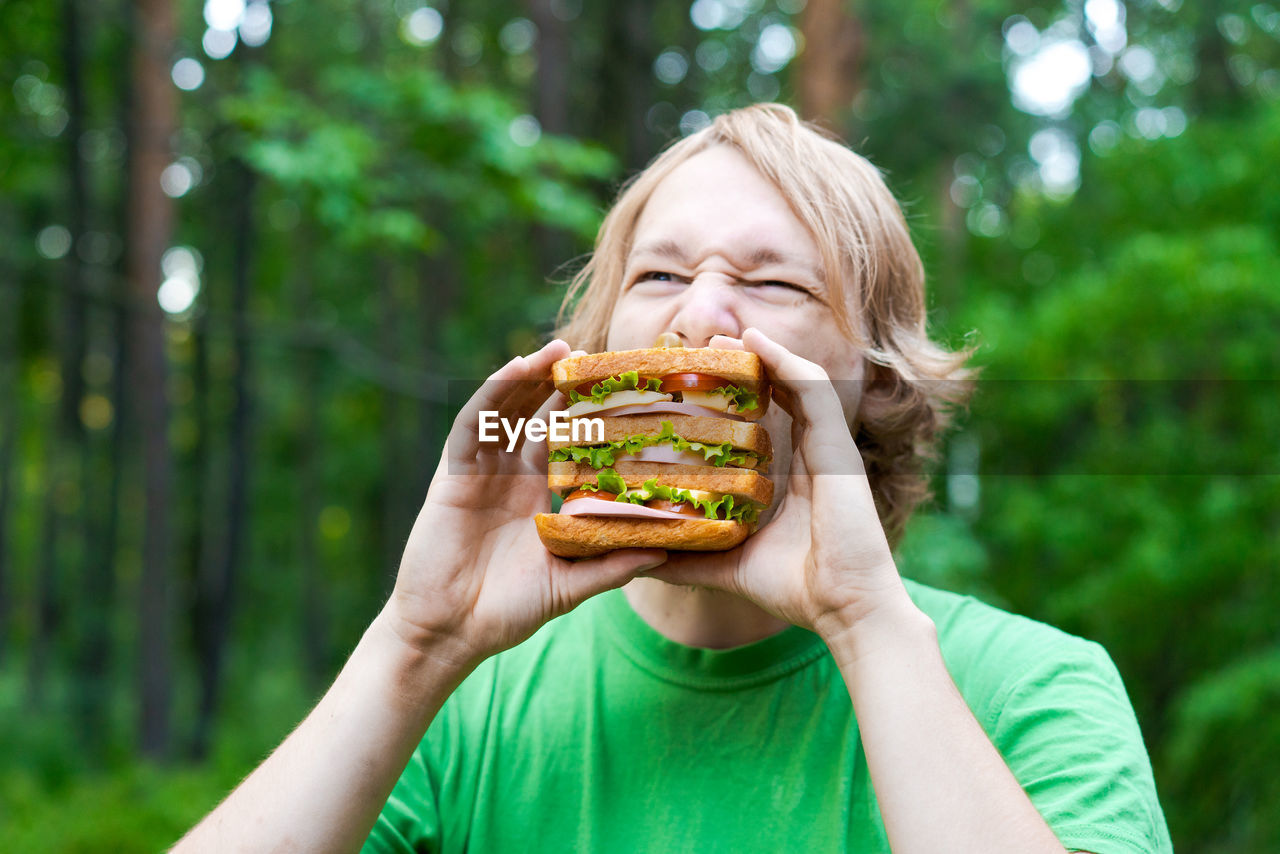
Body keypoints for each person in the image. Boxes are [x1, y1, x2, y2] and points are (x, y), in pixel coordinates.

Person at [174, 104, 1172, 853]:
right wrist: (415, 642)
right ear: (596, 352)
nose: (697, 316)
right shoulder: (464, 703)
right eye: (656, 276)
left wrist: (865, 624)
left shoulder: (1034, 689)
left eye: (772, 281)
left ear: (872, 378)